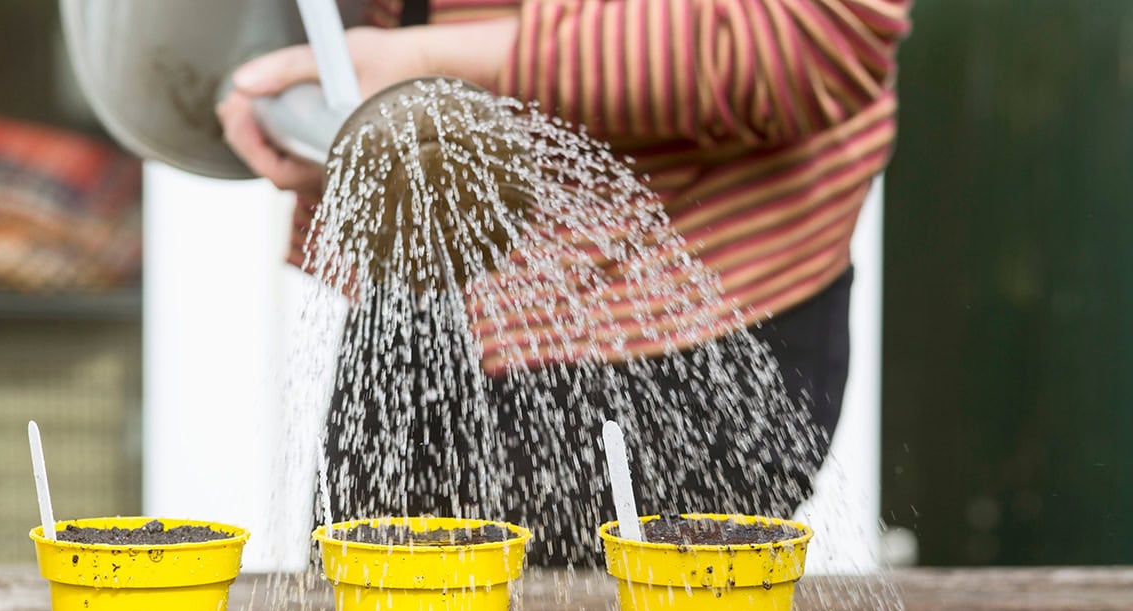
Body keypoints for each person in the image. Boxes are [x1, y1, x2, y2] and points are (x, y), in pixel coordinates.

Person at [216, 0, 911, 565]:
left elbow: (814, 33)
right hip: (423, 279)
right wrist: (325, 107)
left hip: (676, 311)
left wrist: (424, 63)